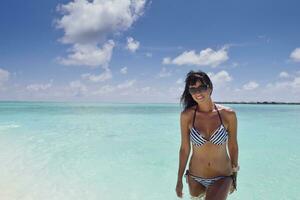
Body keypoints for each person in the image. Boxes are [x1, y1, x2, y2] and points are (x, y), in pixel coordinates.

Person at [175, 70, 239, 200]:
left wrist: (234, 176)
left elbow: (233, 146)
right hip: (195, 177)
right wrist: (179, 180)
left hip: (222, 176)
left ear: (210, 88)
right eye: (193, 90)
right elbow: (184, 149)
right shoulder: (187, 116)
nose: (197, 93)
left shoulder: (228, 114)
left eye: (202, 87)